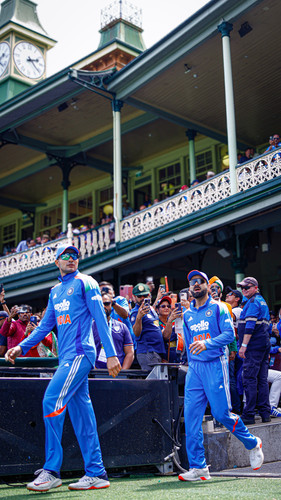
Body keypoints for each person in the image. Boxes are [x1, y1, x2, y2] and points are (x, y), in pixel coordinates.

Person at [5, 244, 121, 492]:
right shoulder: (55, 291)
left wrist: (111, 354)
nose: (71, 259)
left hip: (80, 354)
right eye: (66, 256)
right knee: (82, 416)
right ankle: (96, 472)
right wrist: (21, 348)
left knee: (51, 401)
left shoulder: (86, 282)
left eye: (75, 256)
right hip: (67, 357)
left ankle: (52, 470)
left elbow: (101, 317)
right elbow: (45, 326)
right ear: (56, 261)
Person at [178, 270, 264, 482]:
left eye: (200, 281)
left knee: (221, 414)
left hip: (215, 365)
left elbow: (229, 335)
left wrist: (207, 343)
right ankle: (198, 466)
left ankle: (253, 443)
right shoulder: (188, 314)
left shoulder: (219, 308)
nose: (195, 285)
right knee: (191, 418)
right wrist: (191, 365)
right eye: (192, 282)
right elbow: (189, 344)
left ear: (208, 285)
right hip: (195, 370)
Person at [237, 276, 271, 424]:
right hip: (263, 345)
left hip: (253, 347)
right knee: (262, 380)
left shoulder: (252, 302)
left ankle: (249, 414)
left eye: (247, 287)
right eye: (242, 287)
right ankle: (265, 413)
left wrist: (244, 346)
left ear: (255, 288)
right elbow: (268, 327)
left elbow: (250, 325)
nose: (244, 290)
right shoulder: (262, 301)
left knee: (249, 379)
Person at [93, 292, 134, 369]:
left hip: (118, 372)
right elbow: (85, 351)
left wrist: (123, 372)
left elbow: (130, 352)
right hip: (96, 373)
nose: (104, 306)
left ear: (112, 304)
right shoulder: (90, 327)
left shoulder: (122, 327)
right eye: (100, 304)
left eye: (107, 303)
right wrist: (94, 370)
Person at [130, 283, 165, 370]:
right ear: (134, 297)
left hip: (156, 351)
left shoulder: (151, 309)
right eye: (139, 296)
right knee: (153, 381)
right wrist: (139, 318)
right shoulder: (136, 312)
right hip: (147, 352)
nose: (142, 298)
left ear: (149, 295)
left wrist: (158, 298)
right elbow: (136, 333)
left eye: (144, 295)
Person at [156, 295, 181, 363]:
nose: (166, 308)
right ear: (157, 310)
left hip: (176, 356)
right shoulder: (155, 323)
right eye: (163, 306)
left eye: (168, 306)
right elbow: (165, 336)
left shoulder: (175, 321)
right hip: (162, 357)